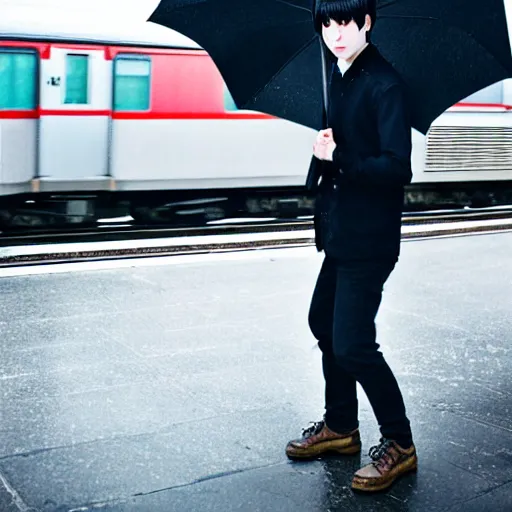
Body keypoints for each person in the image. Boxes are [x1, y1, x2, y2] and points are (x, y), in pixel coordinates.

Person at [285, 0, 417, 493]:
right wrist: (325, 156)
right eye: (327, 23)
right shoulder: (337, 76)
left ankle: (400, 444)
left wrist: (340, 154)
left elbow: (395, 169)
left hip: (370, 238)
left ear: (367, 22)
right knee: (324, 323)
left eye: (346, 22)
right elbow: (340, 156)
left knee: (354, 344)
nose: (335, 33)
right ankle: (341, 426)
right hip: (342, 233)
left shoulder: (384, 83)